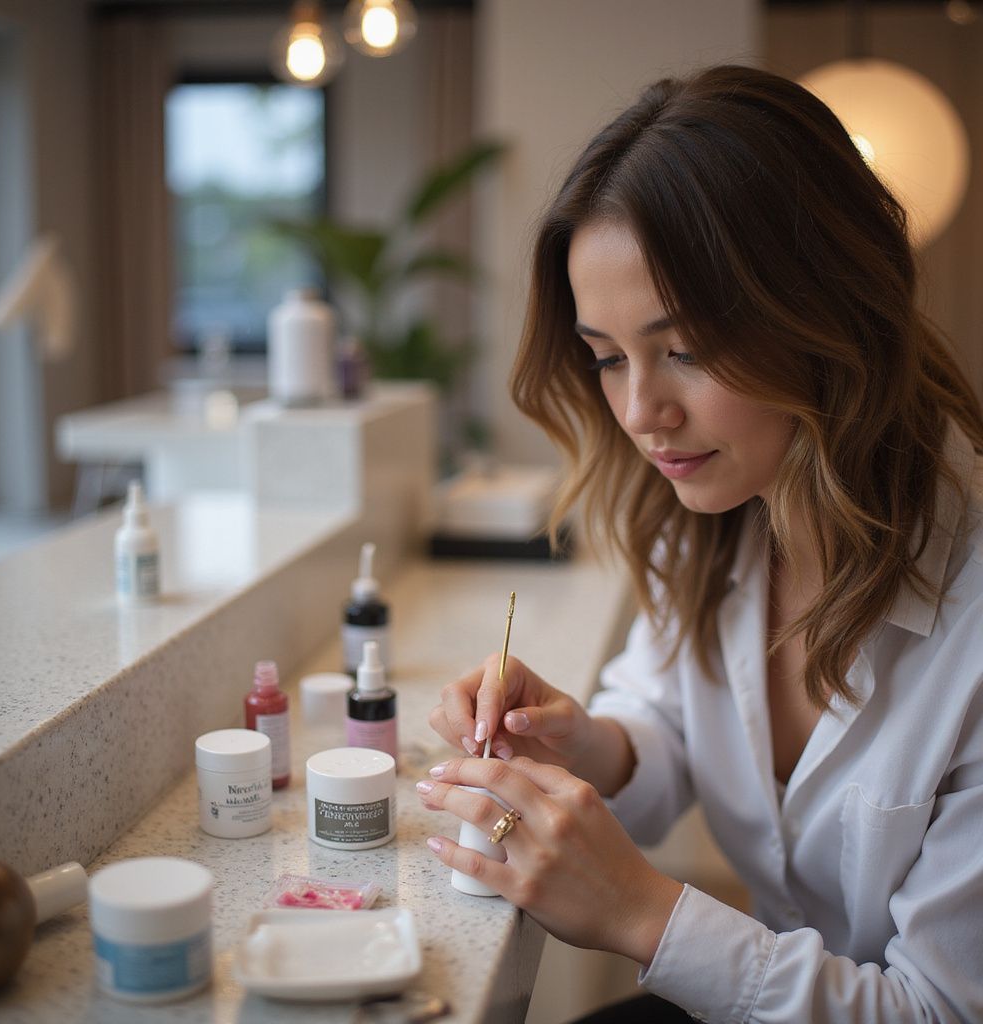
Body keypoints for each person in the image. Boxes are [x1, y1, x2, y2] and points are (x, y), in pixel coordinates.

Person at [415, 64, 983, 1022]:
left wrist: (645, 915)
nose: (643, 412)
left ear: (827, 309)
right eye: (606, 358)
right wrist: (582, 744)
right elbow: (670, 723)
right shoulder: (720, 510)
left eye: (686, 349)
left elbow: (939, 1010)